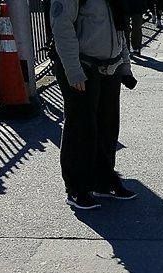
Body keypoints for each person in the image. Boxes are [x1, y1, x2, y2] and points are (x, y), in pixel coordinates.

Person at [50, 0, 138, 210]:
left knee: (108, 127)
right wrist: (73, 70)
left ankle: (103, 180)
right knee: (81, 128)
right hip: (83, 66)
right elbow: (62, 27)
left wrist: (124, 65)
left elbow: (120, 30)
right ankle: (76, 188)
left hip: (110, 67)